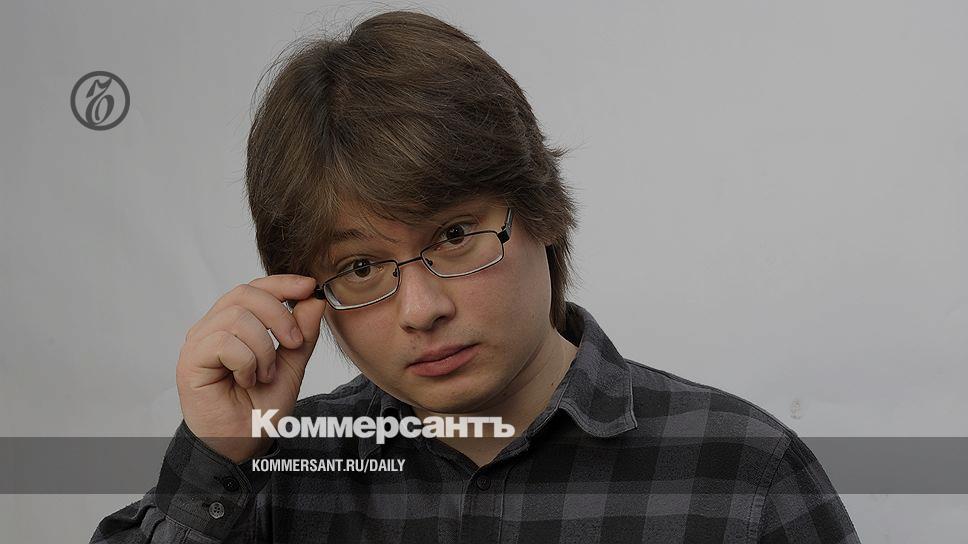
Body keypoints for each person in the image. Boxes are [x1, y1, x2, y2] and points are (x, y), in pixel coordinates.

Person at [91, 10, 859, 543]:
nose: (420, 309)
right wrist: (216, 455)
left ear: (543, 211)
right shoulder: (275, 476)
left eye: (455, 236)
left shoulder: (742, 474)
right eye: (361, 267)